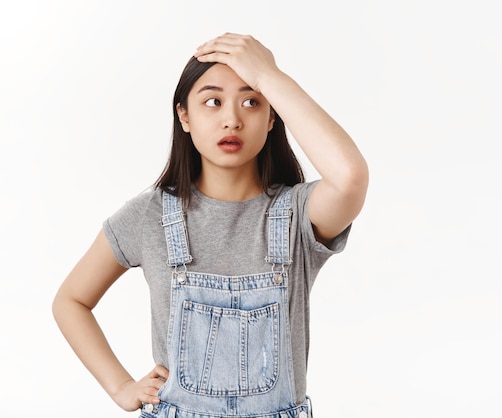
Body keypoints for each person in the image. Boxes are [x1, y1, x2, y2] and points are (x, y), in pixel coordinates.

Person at [52, 33, 368, 418]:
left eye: (251, 101)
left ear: (273, 117)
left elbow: (350, 176)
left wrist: (268, 75)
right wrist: (120, 386)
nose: (232, 119)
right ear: (184, 115)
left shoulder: (300, 215)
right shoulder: (147, 216)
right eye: (212, 101)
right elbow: (71, 301)